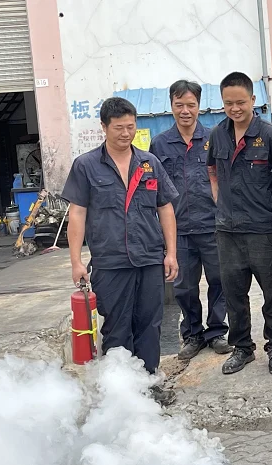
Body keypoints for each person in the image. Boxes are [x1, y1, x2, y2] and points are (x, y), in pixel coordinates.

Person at [62, 97, 179, 375]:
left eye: (130, 127)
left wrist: (171, 253)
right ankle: (120, 388)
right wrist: (76, 262)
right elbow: (77, 214)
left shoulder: (149, 163)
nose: (126, 134)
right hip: (110, 262)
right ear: (104, 127)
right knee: (116, 327)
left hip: (149, 258)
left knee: (150, 325)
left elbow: (165, 208)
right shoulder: (86, 165)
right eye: (118, 128)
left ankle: (148, 382)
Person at [207, 72, 272, 376]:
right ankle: (242, 347)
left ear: (253, 100)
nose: (235, 108)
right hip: (227, 231)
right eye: (228, 103)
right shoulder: (217, 134)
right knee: (234, 294)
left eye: (240, 102)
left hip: (263, 231)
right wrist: (220, 201)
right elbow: (212, 170)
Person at [150, 80, 232, 361]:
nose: (185, 111)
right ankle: (193, 334)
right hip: (179, 229)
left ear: (199, 106)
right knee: (184, 286)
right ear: (171, 106)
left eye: (191, 105)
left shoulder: (214, 138)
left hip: (213, 225)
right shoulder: (159, 144)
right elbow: (155, 190)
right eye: (179, 105)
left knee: (219, 280)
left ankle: (217, 331)